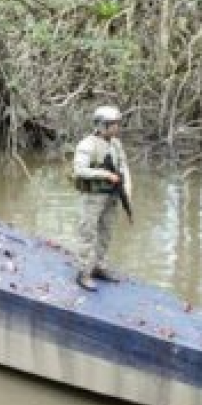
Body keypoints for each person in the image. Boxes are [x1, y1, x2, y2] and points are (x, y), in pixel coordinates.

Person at [72, 105, 133, 291]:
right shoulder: (87, 145)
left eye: (117, 124)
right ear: (102, 125)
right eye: (113, 124)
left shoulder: (116, 144)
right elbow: (80, 170)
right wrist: (105, 175)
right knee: (87, 232)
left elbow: (123, 165)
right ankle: (83, 272)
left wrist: (128, 188)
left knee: (106, 232)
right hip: (93, 196)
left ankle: (99, 266)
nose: (117, 127)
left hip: (112, 195)